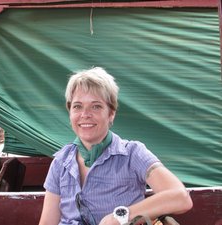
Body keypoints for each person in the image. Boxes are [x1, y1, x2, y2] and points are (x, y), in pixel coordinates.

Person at [39, 67, 193, 225]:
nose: (85, 114)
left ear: (111, 113)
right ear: (70, 112)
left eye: (96, 106)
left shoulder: (133, 154)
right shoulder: (60, 163)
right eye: (77, 106)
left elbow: (180, 197)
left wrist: (120, 216)